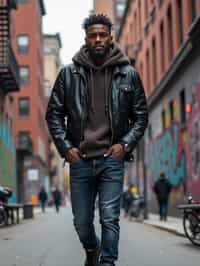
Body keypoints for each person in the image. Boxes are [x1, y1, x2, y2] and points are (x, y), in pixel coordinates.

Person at [46, 14, 148, 266]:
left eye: (103, 34)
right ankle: (92, 248)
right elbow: (53, 114)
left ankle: (107, 262)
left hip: (111, 159)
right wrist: (66, 148)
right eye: (93, 35)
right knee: (81, 221)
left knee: (110, 217)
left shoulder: (128, 74)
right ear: (86, 39)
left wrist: (124, 145)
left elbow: (141, 116)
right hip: (80, 160)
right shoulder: (68, 74)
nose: (98, 39)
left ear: (110, 37)